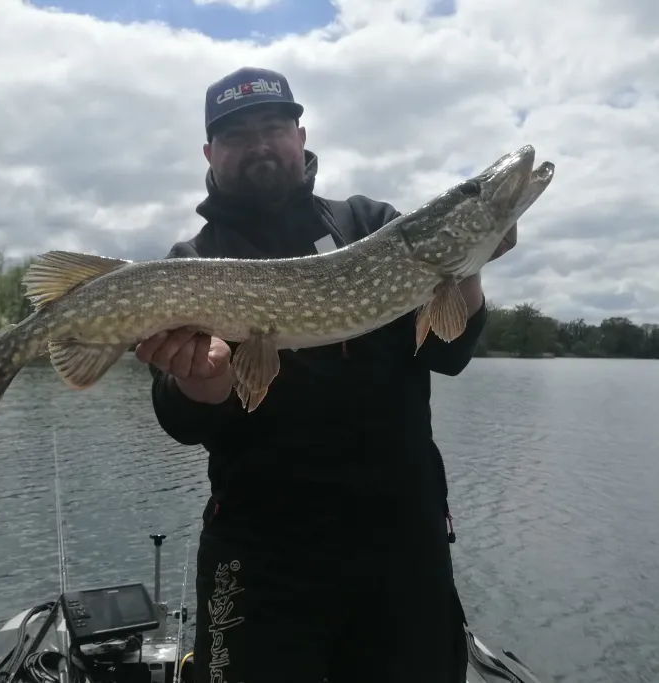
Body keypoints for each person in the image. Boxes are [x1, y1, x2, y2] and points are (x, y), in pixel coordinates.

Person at [134, 66, 516, 683]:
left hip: (402, 545)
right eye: (236, 136)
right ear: (209, 153)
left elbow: (447, 353)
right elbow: (183, 419)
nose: (259, 145)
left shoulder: (372, 224)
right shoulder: (192, 263)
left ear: (301, 135)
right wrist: (203, 385)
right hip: (261, 554)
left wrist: (464, 263)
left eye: (273, 127)